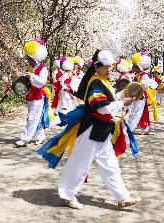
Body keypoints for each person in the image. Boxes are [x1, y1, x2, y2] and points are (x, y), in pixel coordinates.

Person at [49, 50, 140, 210]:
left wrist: (122, 94)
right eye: (105, 67)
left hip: (101, 130)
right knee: (79, 165)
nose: (109, 69)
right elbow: (101, 108)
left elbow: (108, 99)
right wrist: (122, 103)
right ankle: (67, 195)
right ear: (97, 67)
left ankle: (122, 197)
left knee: (110, 165)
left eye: (110, 67)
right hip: (90, 130)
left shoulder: (101, 81)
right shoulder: (95, 82)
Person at [15, 39, 49, 147]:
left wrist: (32, 76)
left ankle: (24, 139)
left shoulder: (43, 69)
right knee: (35, 117)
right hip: (30, 95)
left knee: (32, 117)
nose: (28, 60)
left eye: (29, 58)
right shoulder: (28, 68)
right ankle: (41, 136)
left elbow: (42, 82)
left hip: (38, 96)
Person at [125, 52, 153, 134]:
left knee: (138, 113)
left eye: (134, 65)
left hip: (141, 97)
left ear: (139, 66)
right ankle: (140, 127)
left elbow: (146, 86)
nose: (133, 67)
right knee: (135, 112)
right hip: (136, 96)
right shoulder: (137, 75)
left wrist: (139, 86)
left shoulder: (144, 75)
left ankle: (138, 127)